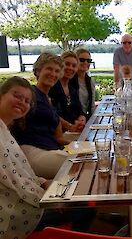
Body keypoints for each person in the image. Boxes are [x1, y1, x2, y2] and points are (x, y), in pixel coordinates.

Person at [0, 76, 46, 238]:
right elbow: (12, 181)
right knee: (82, 210)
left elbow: (18, 171)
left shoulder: (5, 129)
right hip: (12, 212)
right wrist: (46, 196)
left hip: (20, 198)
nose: (22, 102)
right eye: (17, 96)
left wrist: (42, 182)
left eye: (27, 101)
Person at [13, 52, 69, 179]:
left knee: (88, 157)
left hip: (50, 148)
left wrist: (81, 144)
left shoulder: (47, 99)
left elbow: (58, 135)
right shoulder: (30, 95)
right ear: (38, 71)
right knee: (80, 165)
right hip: (31, 151)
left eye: (56, 71)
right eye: (49, 69)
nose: (53, 74)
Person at [49, 51, 86, 132]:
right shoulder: (52, 87)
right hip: (57, 133)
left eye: (74, 66)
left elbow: (80, 111)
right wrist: (70, 126)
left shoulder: (72, 89)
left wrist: (82, 119)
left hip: (72, 131)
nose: (70, 68)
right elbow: (52, 114)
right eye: (67, 64)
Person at [70, 48, 96, 119]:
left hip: (86, 119)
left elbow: (92, 106)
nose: (86, 63)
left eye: (88, 60)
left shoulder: (90, 81)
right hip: (74, 119)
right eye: (82, 60)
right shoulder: (69, 81)